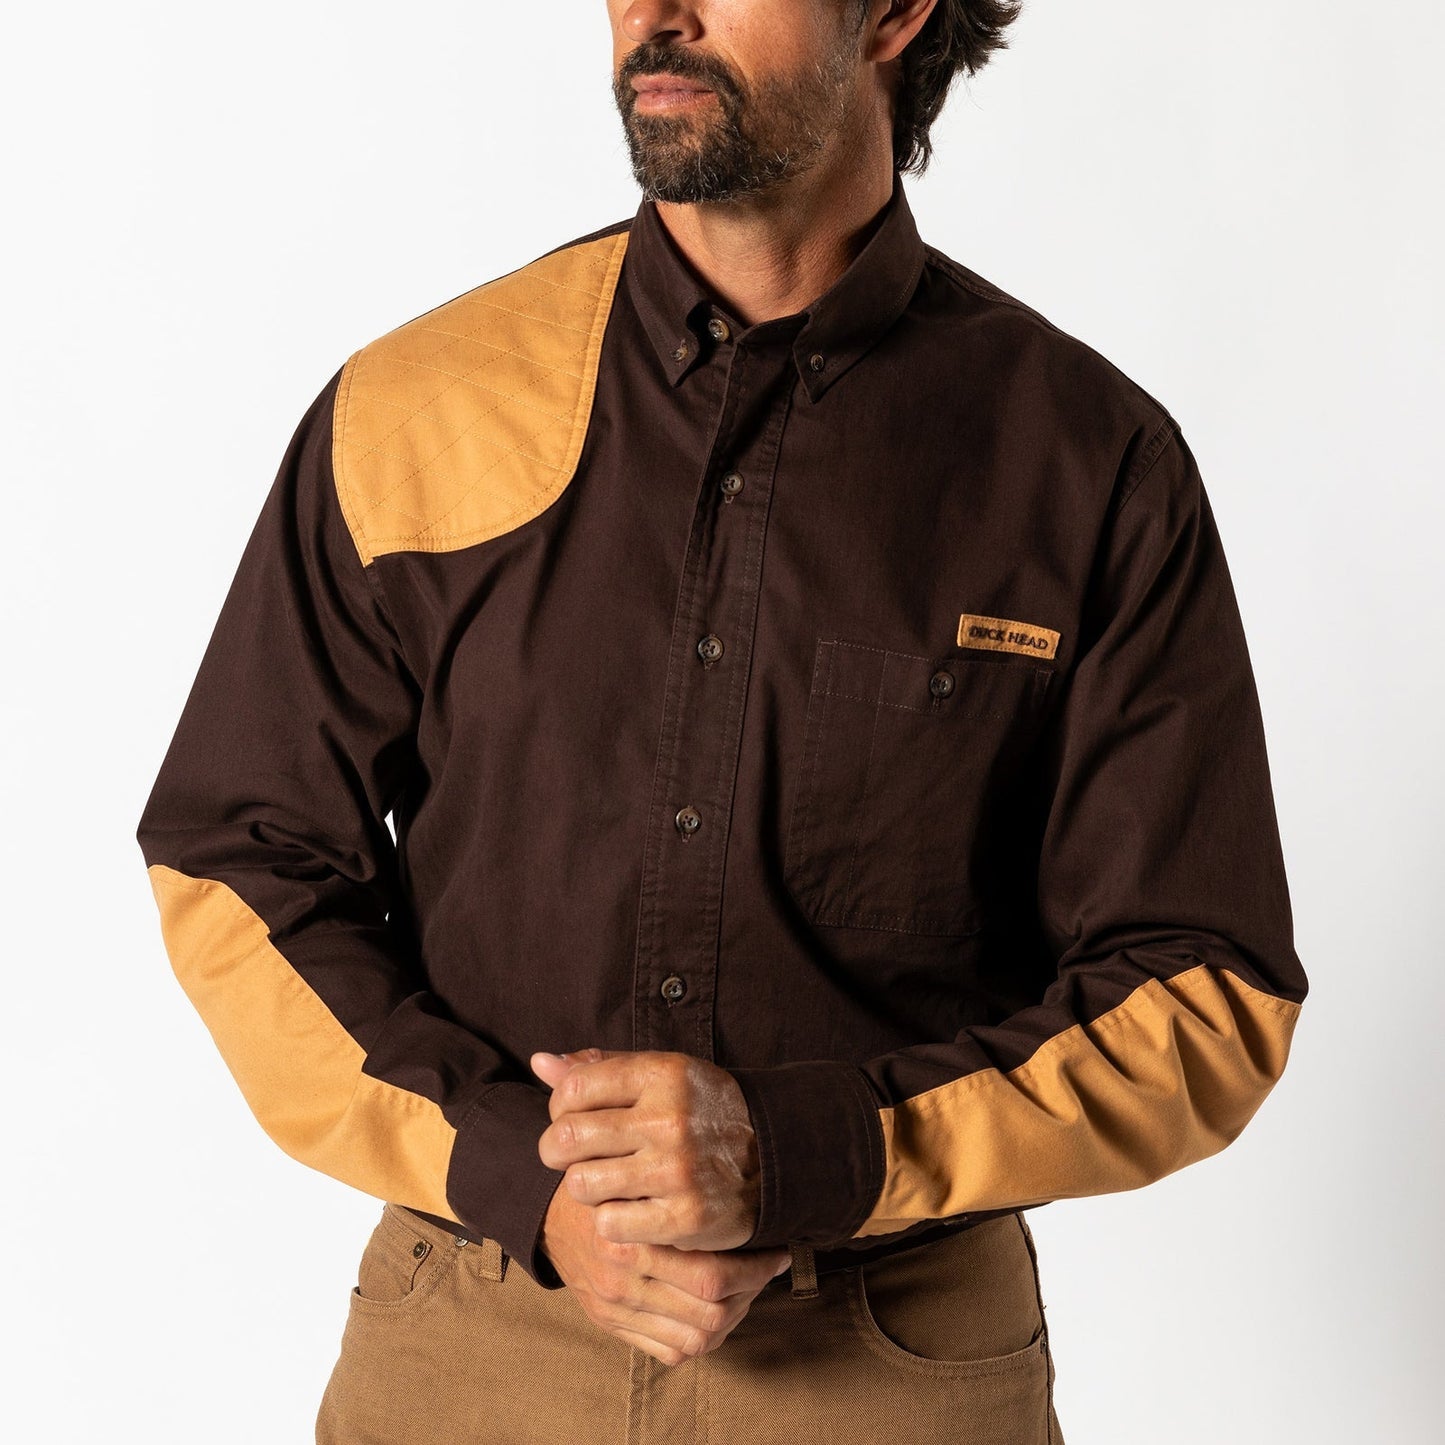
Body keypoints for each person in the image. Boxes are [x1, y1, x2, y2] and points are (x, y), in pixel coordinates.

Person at [135, 1, 1310, 1440]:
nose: (655, 14)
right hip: (472, 1337)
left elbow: (1206, 990)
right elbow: (236, 860)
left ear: (891, 13)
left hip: (887, 1356)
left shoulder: (1083, 463)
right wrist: (531, 1179)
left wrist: (804, 1152)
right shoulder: (417, 406)